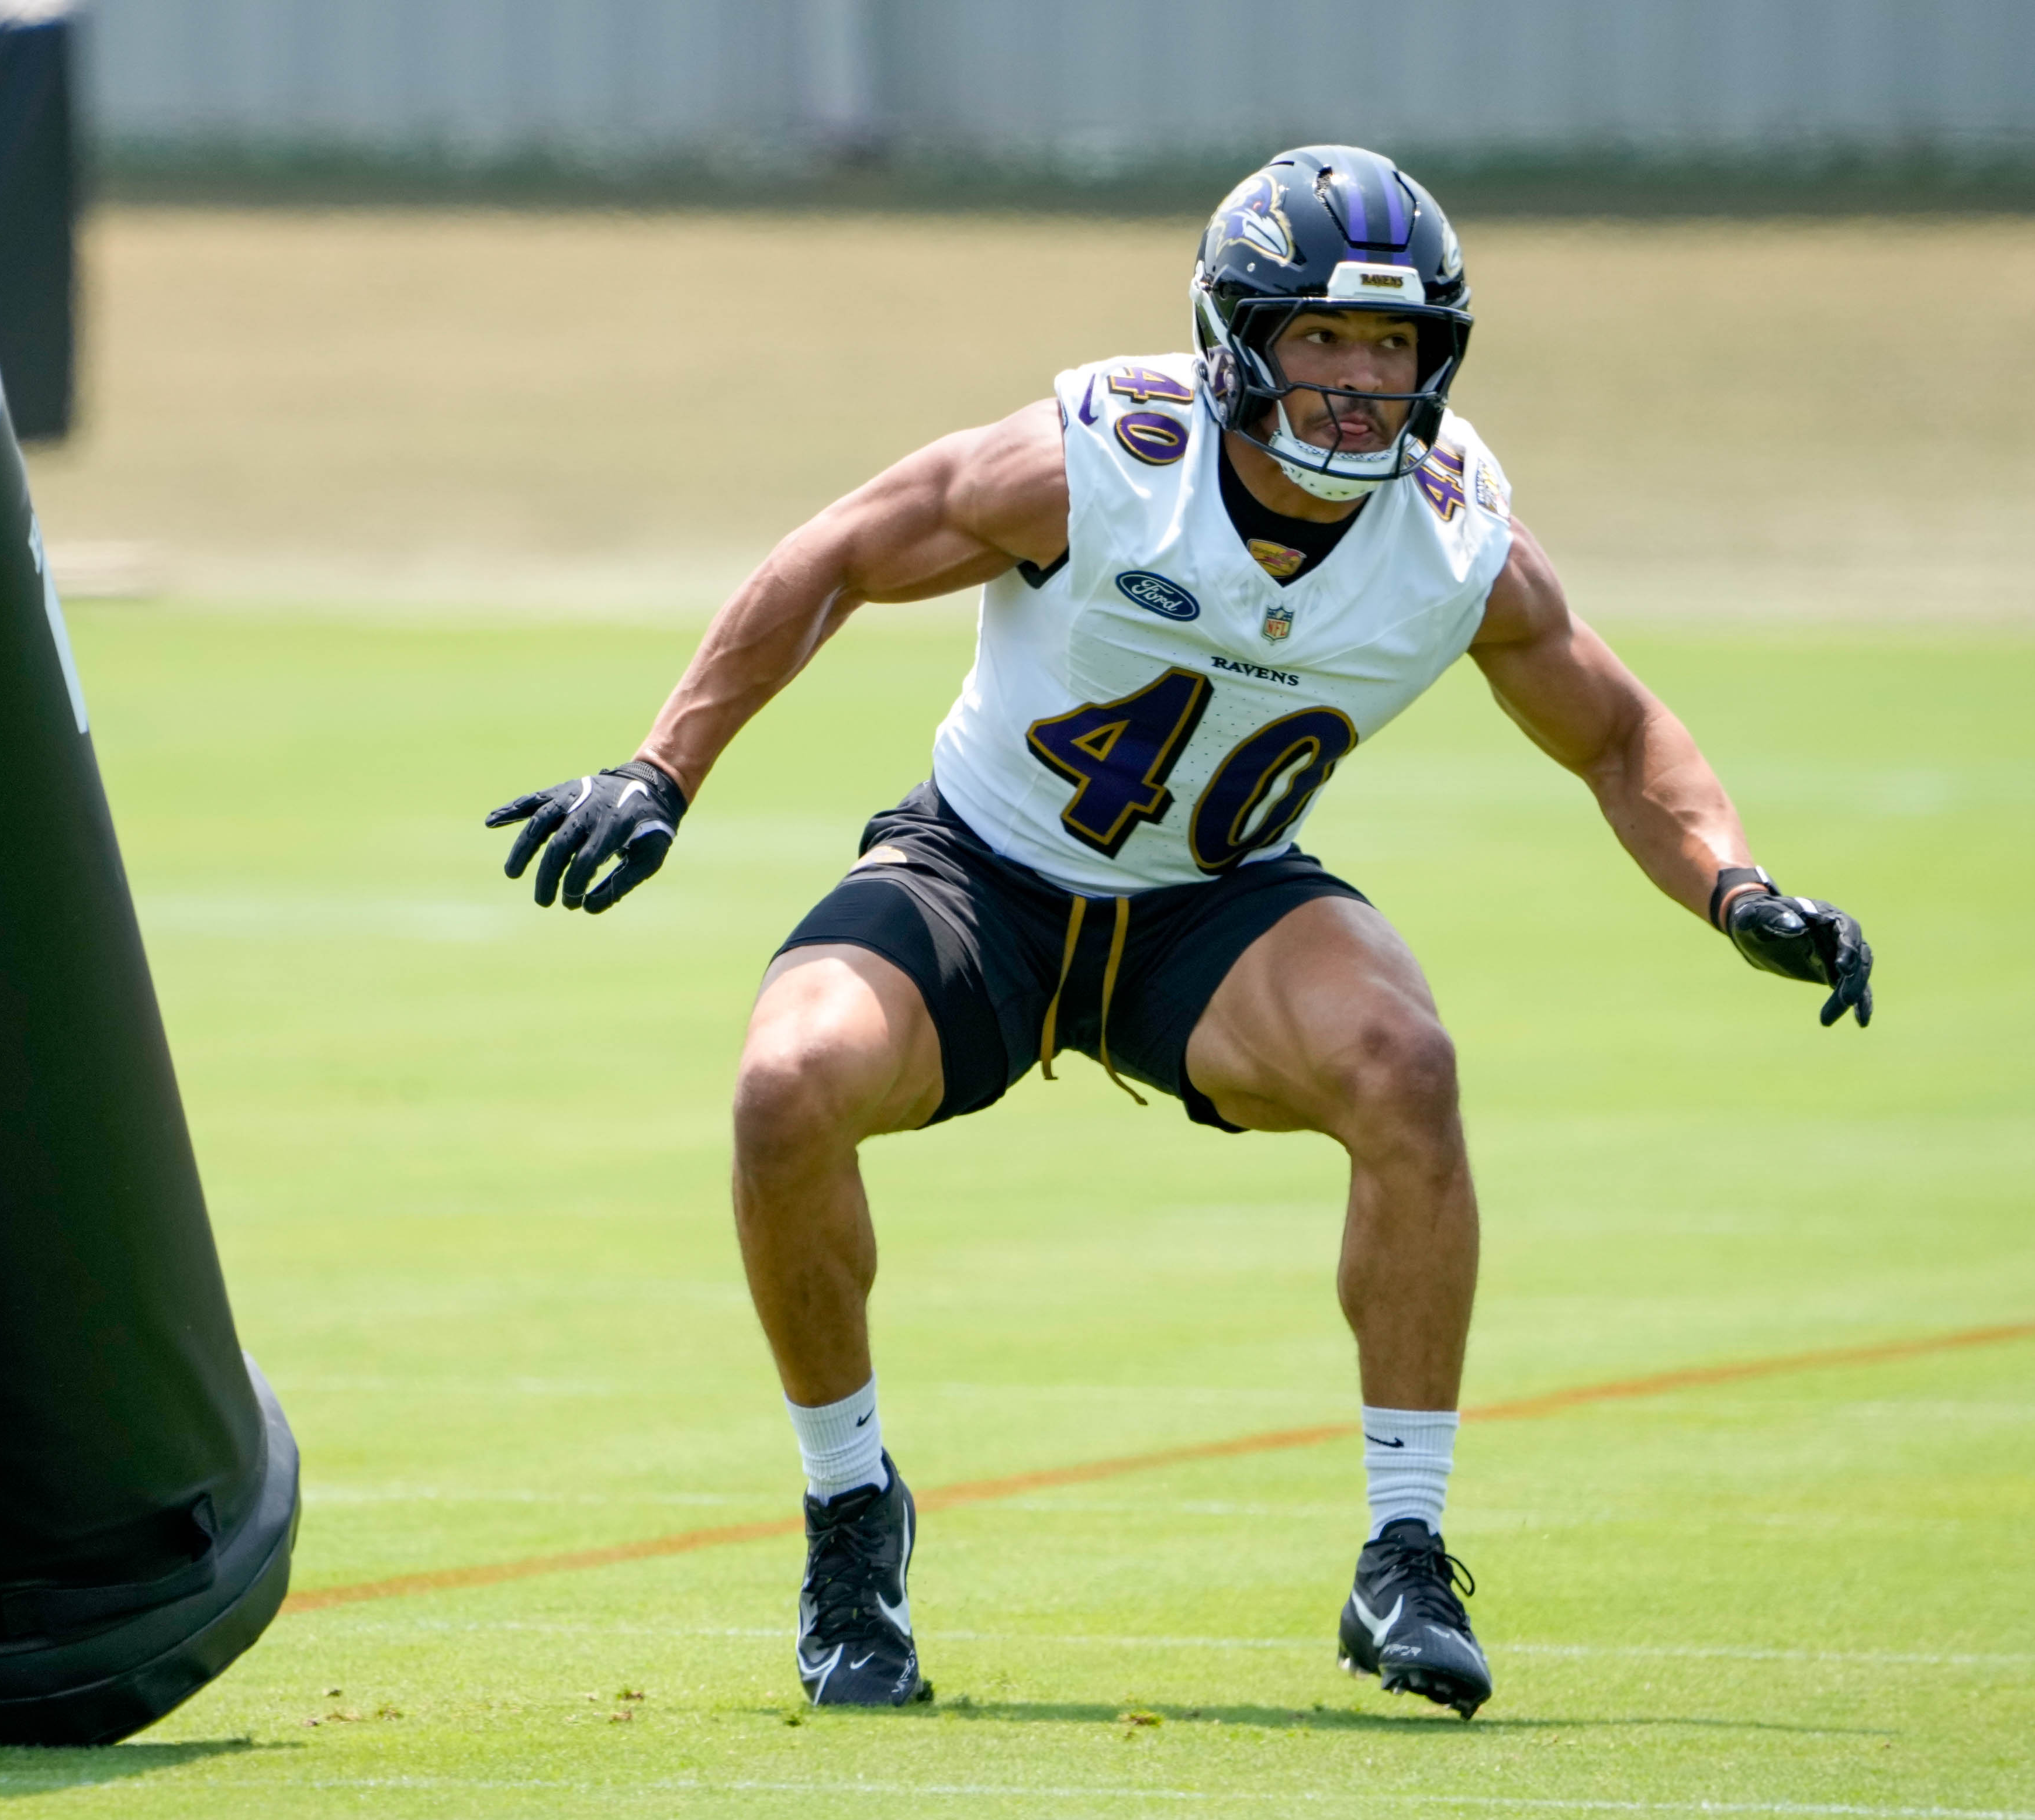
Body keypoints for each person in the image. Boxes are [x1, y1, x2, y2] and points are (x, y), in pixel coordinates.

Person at [488, 145, 1873, 1720]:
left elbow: (1620, 736)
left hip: (1211, 912)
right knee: (784, 1085)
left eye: (1394, 345)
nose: (1361, 383)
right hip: (980, 873)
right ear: (1234, 338)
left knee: (1403, 1062)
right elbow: (844, 551)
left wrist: (1737, 886)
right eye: (1325, 340)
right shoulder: (1101, 459)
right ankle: (850, 1514)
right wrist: (662, 766)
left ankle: (1404, 1551)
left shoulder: (1451, 531)